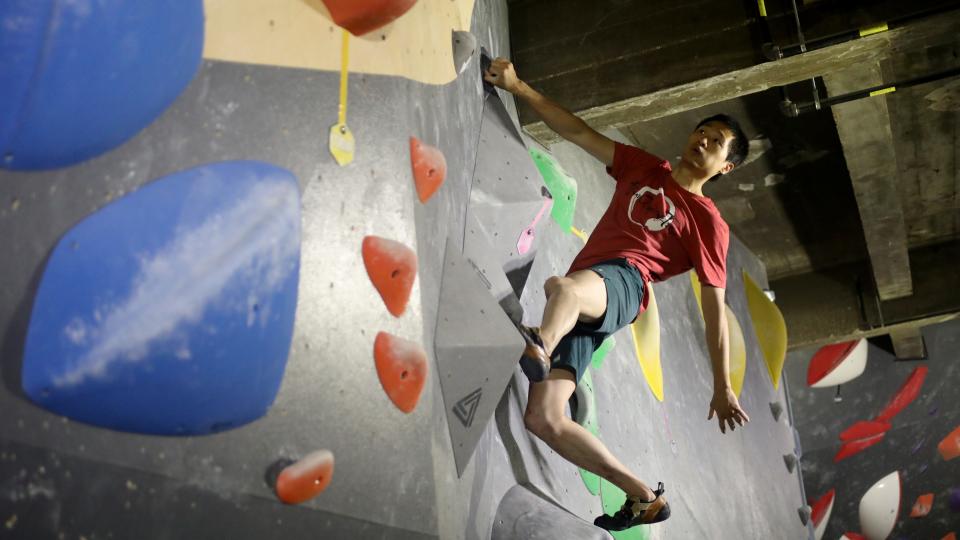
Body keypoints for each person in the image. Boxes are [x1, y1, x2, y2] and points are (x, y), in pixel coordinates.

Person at [483, 57, 752, 531]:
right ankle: (644, 497)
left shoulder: (709, 223)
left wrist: (723, 385)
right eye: (702, 131)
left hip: (626, 284)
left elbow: (714, 307)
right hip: (593, 291)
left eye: (716, 142)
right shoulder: (646, 167)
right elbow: (579, 133)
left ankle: (540, 344)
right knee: (544, 419)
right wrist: (519, 87)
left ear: (725, 166)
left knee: (560, 289)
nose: (703, 140)